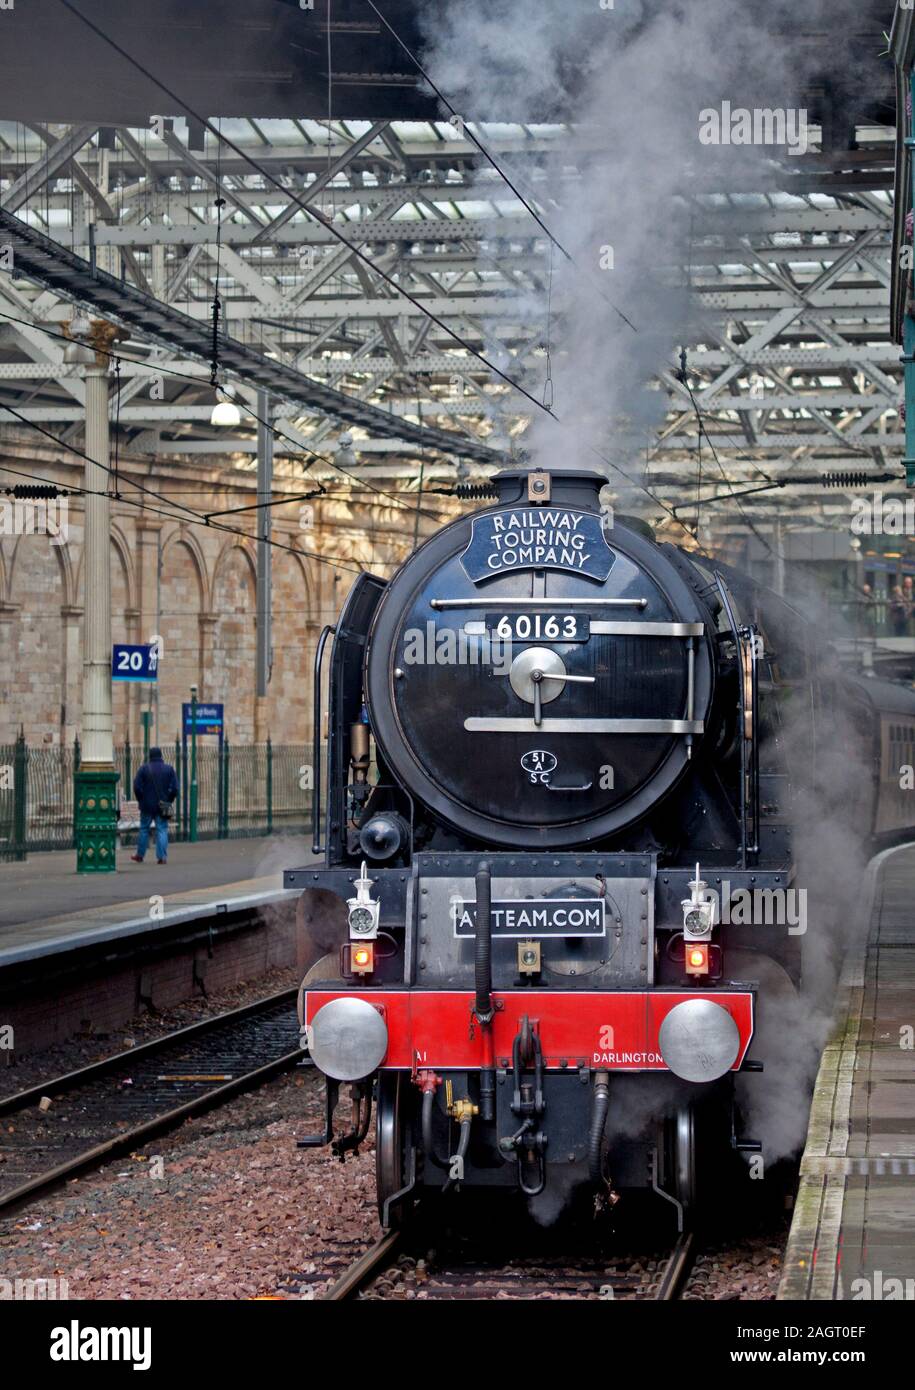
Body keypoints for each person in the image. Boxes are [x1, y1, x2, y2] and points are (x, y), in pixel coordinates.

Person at [131, 746, 179, 864]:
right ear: (161, 756)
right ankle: (162, 857)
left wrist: (141, 799)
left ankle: (140, 855)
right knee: (162, 829)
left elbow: (137, 787)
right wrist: (169, 800)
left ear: (150, 756)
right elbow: (175, 789)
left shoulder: (144, 769)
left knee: (144, 829)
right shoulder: (169, 769)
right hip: (163, 805)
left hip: (147, 805)